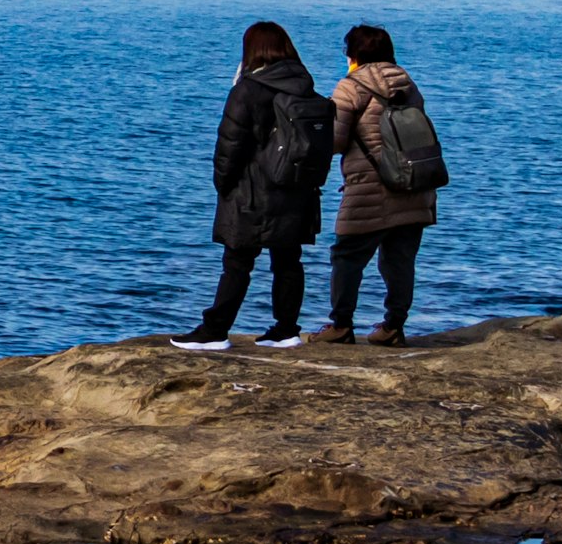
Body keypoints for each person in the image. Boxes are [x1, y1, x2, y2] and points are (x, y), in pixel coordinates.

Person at [170, 21, 331, 349]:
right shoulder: (304, 87)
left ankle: (215, 331)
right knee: (288, 261)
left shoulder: (247, 90)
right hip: (296, 192)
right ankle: (286, 330)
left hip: (253, 194)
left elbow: (229, 146)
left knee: (237, 263)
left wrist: (223, 185)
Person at [313, 24, 435, 344]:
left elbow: (336, 142)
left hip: (370, 187)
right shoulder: (408, 84)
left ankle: (341, 325)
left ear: (354, 55)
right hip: (414, 185)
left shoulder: (350, 87)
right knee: (399, 260)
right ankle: (393, 327)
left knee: (347, 257)